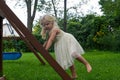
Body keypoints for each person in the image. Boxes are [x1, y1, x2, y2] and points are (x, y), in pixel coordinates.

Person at [39, 14, 92, 79]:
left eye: (47, 24)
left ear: (52, 22)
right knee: (67, 58)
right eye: (44, 25)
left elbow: (51, 40)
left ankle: (86, 64)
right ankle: (74, 74)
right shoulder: (48, 31)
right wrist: (42, 47)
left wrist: (46, 49)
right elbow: (47, 40)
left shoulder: (55, 29)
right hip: (60, 44)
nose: (46, 26)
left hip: (67, 40)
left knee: (73, 53)